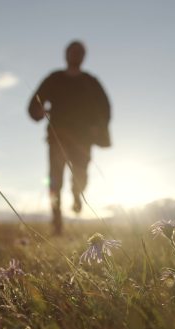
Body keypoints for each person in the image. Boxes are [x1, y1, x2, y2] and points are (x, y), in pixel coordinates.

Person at [28, 40, 111, 235]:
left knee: (81, 175)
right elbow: (35, 103)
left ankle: (77, 193)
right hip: (57, 138)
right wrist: (39, 112)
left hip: (82, 140)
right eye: (73, 52)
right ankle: (57, 224)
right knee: (55, 181)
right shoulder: (54, 79)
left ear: (84, 57)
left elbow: (105, 108)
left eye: (80, 52)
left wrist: (96, 128)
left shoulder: (91, 82)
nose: (76, 55)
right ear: (66, 55)